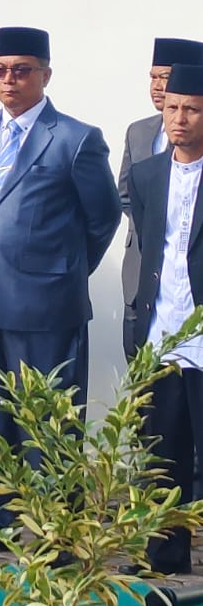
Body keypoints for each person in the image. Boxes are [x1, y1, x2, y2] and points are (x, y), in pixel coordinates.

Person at [0, 27, 121, 556]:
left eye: (21, 70)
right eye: (0, 70)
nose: (8, 80)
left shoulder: (75, 138)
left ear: (45, 74)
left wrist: (60, 272)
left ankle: (58, 529)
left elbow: (103, 218)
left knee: (49, 421)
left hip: (46, 305)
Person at [130, 63, 203, 574]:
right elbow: (151, 245)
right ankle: (165, 558)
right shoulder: (148, 174)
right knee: (163, 454)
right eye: (173, 107)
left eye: (192, 109)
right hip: (161, 333)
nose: (179, 118)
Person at [119, 38, 203, 359]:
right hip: (152, 295)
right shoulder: (143, 151)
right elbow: (130, 201)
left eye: (165, 77)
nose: (179, 118)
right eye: (152, 77)